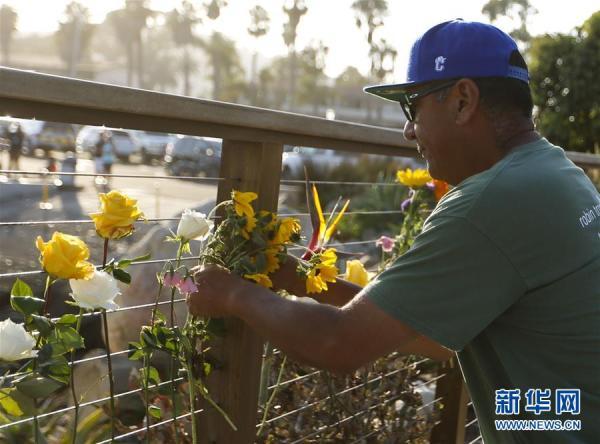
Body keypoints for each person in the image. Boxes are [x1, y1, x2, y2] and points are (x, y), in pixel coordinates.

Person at [187, 20, 599, 443]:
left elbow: (339, 344)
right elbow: (427, 332)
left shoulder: (489, 204)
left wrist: (232, 294)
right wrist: (303, 282)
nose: (408, 131)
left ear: (462, 100)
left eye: (412, 107)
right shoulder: (558, 172)